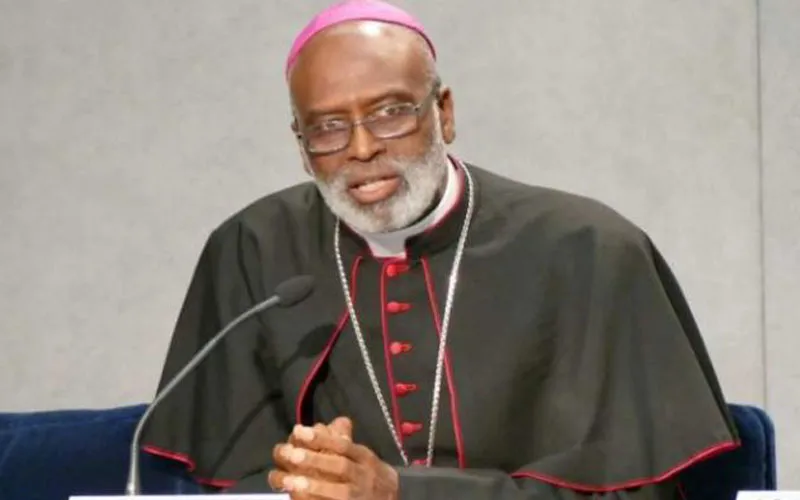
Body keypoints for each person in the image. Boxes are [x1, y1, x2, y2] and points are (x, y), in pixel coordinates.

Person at [140, 1, 739, 498]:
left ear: (444, 112)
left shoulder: (590, 249)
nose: (363, 147)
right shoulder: (252, 248)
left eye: (391, 113)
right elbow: (227, 482)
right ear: (301, 146)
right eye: (327, 127)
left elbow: (635, 492)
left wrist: (404, 492)